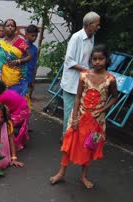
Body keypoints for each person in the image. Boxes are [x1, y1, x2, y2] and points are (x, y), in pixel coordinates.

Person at [49, 44, 118, 189]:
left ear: (106, 59)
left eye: (101, 59)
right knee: (68, 145)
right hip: (79, 117)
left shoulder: (110, 79)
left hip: (97, 121)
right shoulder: (84, 76)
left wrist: (103, 110)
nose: (97, 62)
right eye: (94, 59)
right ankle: (61, 173)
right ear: (91, 60)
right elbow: (77, 97)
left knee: (90, 147)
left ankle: (84, 176)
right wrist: (74, 118)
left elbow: (114, 98)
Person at [60, 11, 100, 136]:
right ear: (89, 24)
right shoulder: (76, 37)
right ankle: (65, 136)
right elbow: (69, 60)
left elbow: (88, 58)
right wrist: (86, 70)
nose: (99, 27)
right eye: (97, 24)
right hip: (72, 81)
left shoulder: (92, 37)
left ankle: (74, 138)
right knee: (70, 112)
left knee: (81, 111)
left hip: (84, 80)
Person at [0, 19, 32, 96]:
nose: (10, 27)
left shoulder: (20, 42)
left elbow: (29, 56)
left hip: (17, 78)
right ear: (4, 28)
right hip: (2, 78)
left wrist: (18, 61)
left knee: (17, 100)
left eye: (12, 26)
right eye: (8, 26)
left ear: (15, 29)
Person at [0, 79, 30, 151]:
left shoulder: (2, 97)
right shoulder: (9, 91)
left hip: (21, 113)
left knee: (6, 125)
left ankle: (14, 144)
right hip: (25, 110)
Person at [25, 24, 39, 99]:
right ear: (27, 34)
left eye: (36, 36)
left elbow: (34, 65)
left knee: (27, 98)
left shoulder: (35, 49)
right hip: (21, 76)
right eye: (32, 36)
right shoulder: (21, 45)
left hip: (29, 76)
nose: (34, 38)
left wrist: (33, 80)